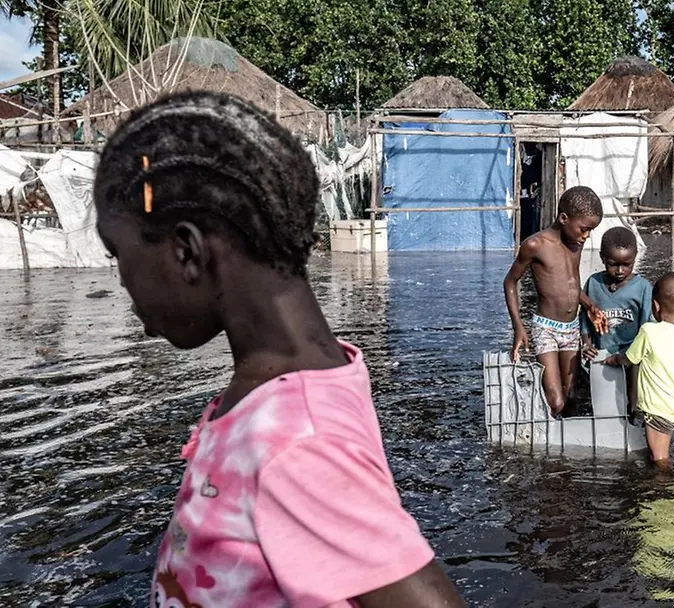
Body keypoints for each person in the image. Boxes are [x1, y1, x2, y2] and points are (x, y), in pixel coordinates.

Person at [93, 91, 465, 608]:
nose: (123, 281)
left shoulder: (298, 439)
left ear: (186, 252)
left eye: (119, 255)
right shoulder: (277, 385)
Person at [504, 185, 607, 418]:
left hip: (571, 329)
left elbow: (569, 284)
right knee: (555, 399)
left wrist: (589, 304)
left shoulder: (575, 244)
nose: (587, 236)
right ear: (563, 218)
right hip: (546, 328)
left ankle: (565, 445)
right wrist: (518, 325)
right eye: (584, 229)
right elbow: (510, 282)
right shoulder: (535, 246)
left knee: (572, 398)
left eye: (590, 231)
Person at [614, 272, 674, 471]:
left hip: (657, 408)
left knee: (659, 457)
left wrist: (612, 359)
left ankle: (666, 491)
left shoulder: (649, 331)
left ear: (655, 306)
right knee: (662, 448)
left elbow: (629, 359)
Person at [581, 227, 653, 421]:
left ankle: (634, 417)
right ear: (602, 257)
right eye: (613, 264)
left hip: (630, 354)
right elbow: (585, 319)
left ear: (635, 258)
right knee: (602, 404)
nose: (620, 271)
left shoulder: (642, 288)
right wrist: (586, 344)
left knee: (633, 397)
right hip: (601, 353)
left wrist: (635, 355)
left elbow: (648, 326)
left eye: (627, 264)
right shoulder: (593, 284)